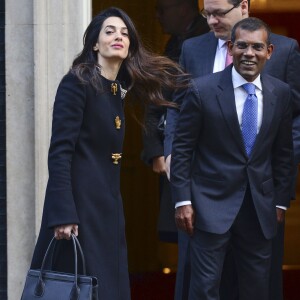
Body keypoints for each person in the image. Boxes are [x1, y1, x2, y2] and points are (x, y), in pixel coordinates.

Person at [29, 7, 188, 300]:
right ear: (94, 43)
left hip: (109, 206)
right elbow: (60, 152)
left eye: (125, 33)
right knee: (84, 287)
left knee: (109, 285)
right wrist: (62, 213)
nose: (119, 37)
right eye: (110, 31)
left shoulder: (116, 89)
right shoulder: (77, 82)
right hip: (79, 207)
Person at [164, 1, 300, 299]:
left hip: (260, 203)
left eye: (218, 13)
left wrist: (280, 196)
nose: (211, 21)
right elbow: (179, 119)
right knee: (204, 286)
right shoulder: (194, 59)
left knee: (256, 287)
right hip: (206, 199)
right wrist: (181, 193)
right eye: (206, 14)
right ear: (231, 49)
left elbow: (287, 138)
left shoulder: (281, 77)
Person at [142, 0, 210, 241]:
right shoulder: (177, 41)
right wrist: (155, 149)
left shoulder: (208, 37)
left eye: (162, 9)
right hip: (177, 150)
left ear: (184, 6)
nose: (157, 16)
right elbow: (159, 99)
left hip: (200, 152)